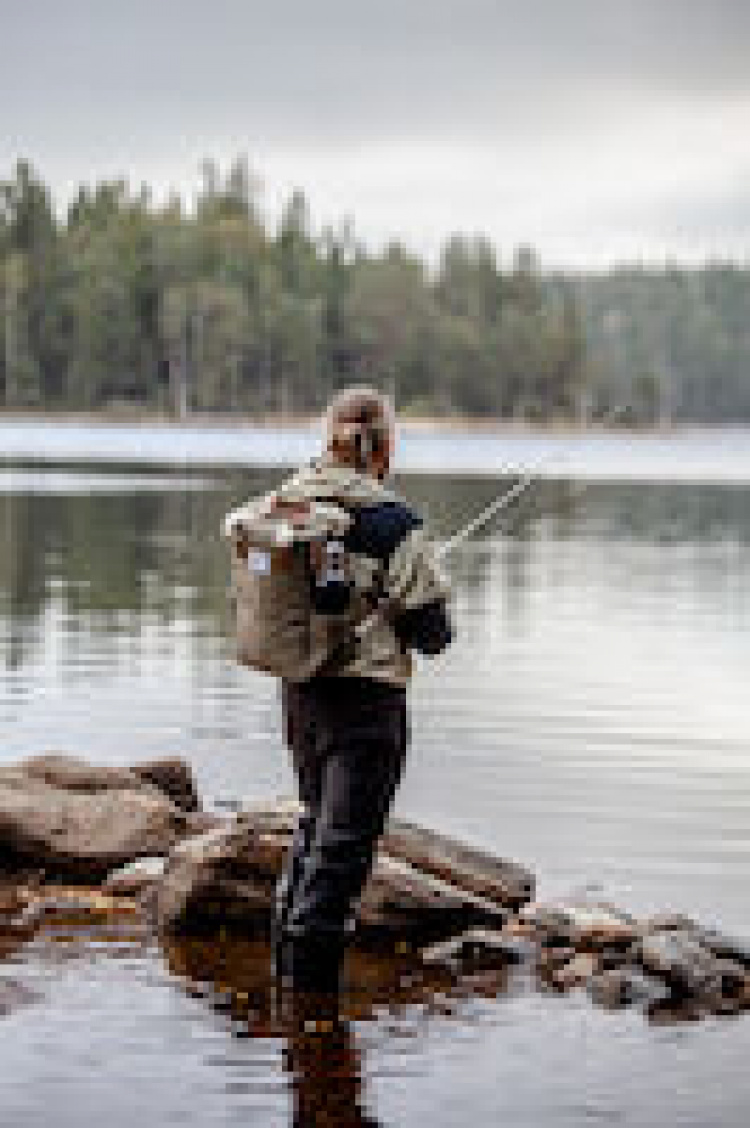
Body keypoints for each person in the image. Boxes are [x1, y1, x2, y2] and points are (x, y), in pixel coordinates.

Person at [267, 385, 454, 999]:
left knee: (316, 832)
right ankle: (310, 1014)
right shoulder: (393, 522)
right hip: (366, 710)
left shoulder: (290, 501)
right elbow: (433, 636)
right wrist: (415, 601)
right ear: (386, 445)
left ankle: (286, 988)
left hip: (302, 699)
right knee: (341, 858)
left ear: (328, 439)